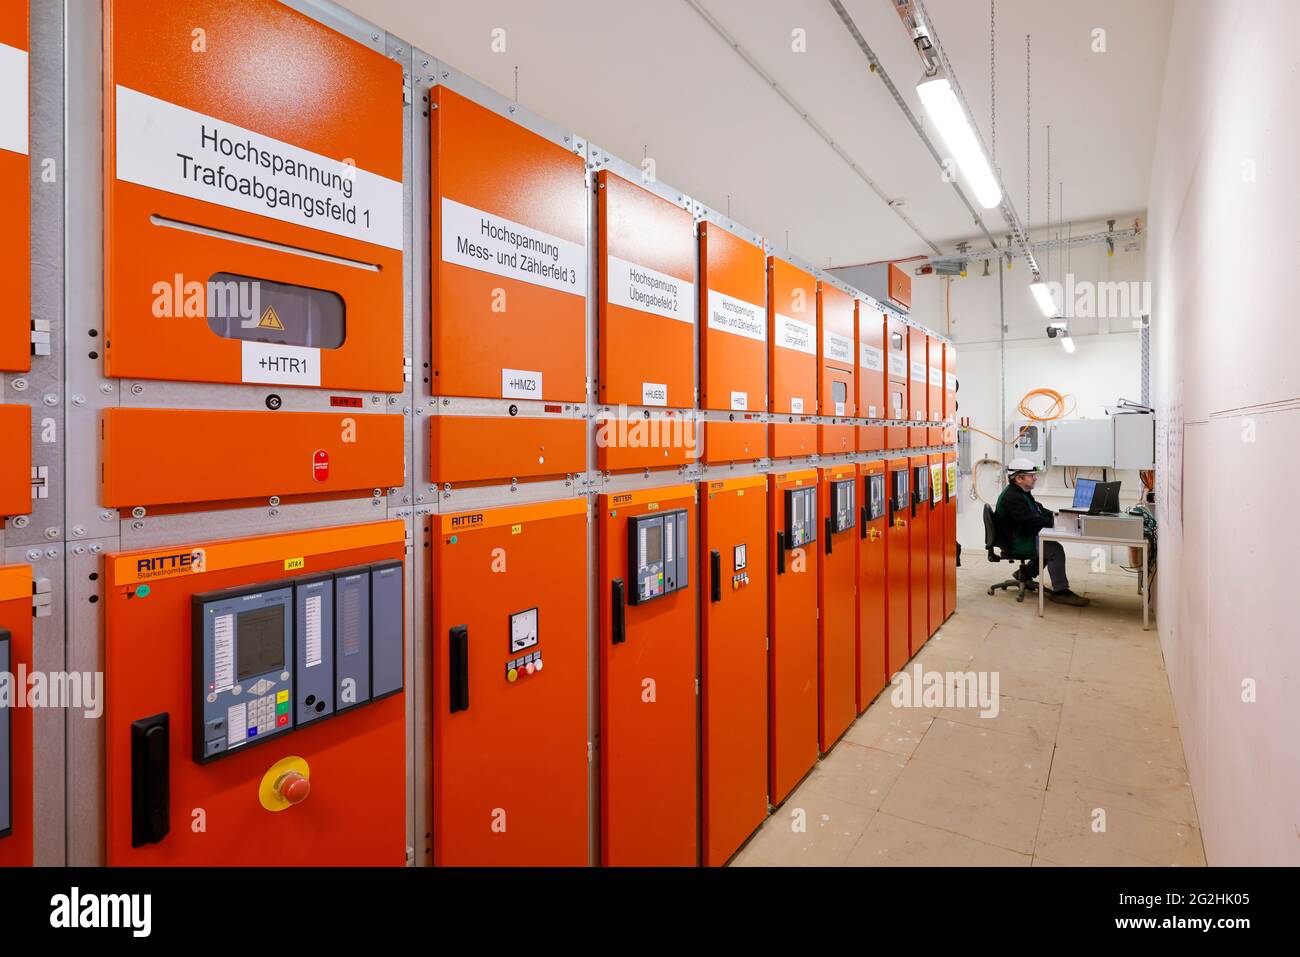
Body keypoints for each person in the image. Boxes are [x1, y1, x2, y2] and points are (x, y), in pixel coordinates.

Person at [994, 457, 1090, 606]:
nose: (1035, 478)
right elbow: (1032, 521)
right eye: (1031, 476)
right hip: (1016, 541)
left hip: (1020, 535)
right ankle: (1061, 592)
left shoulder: (1021, 492)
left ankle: (1024, 574)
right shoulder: (1012, 497)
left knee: (1048, 545)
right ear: (1019, 478)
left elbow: (1038, 510)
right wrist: (1058, 524)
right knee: (1054, 550)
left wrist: (1058, 516)